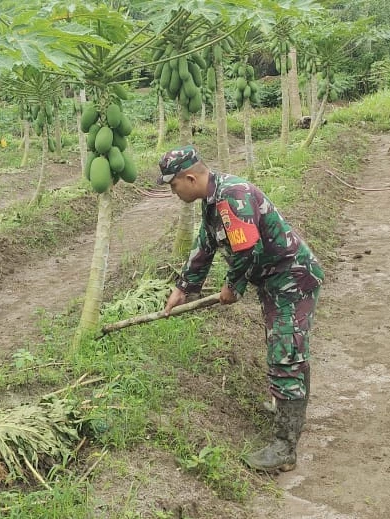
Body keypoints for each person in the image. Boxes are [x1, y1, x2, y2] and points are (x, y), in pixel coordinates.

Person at [159, 145, 324, 473]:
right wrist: (184, 286)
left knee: (286, 353)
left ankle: (284, 447)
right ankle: (285, 410)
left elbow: (247, 249)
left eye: (173, 185)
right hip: (275, 282)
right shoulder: (211, 200)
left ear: (189, 178)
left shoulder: (232, 197)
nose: (173, 192)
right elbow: (205, 245)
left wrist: (233, 286)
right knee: (284, 349)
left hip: (292, 279)